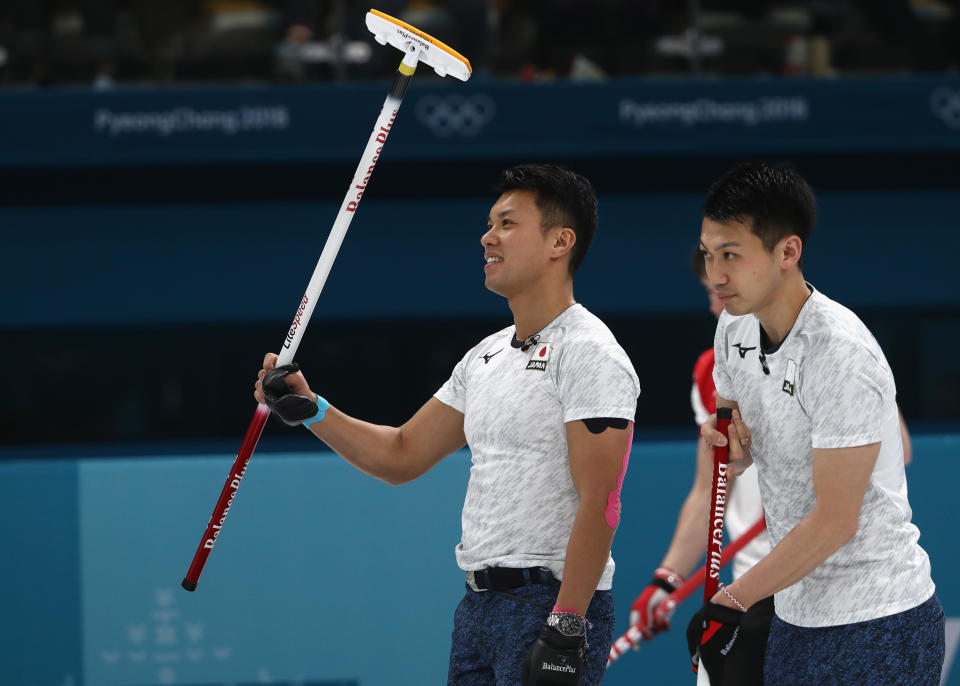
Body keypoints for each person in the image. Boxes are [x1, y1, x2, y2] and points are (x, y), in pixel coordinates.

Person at [254, 164, 640, 685]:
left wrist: (567, 625)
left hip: (551, 607)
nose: (487, 236)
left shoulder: (591, 353)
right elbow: (401, 454)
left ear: (560, 241)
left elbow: (603, 501)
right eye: (489, 223)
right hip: (477, 610)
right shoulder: (484, 357)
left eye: (507, 223)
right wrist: (312, 409)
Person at [687, 162, 943, 685]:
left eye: (731, 255)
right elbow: (740, 440)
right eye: (709, 255)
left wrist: (734, 599)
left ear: (787, 252)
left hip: (880, 622)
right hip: (795, 616)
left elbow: (835, 521)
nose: (715, 275)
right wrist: (736, 454)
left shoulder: (842, 355)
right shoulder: (732, 331)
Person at [630, 249, 917, 684]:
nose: (718, 299)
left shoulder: (836, 350)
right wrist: (667, 578)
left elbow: (897, 451)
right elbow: (711, 486)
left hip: (833, 590)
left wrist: (811, 482)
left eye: (724, 284)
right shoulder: (718, 363)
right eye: (710, 290)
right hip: (752, 591)